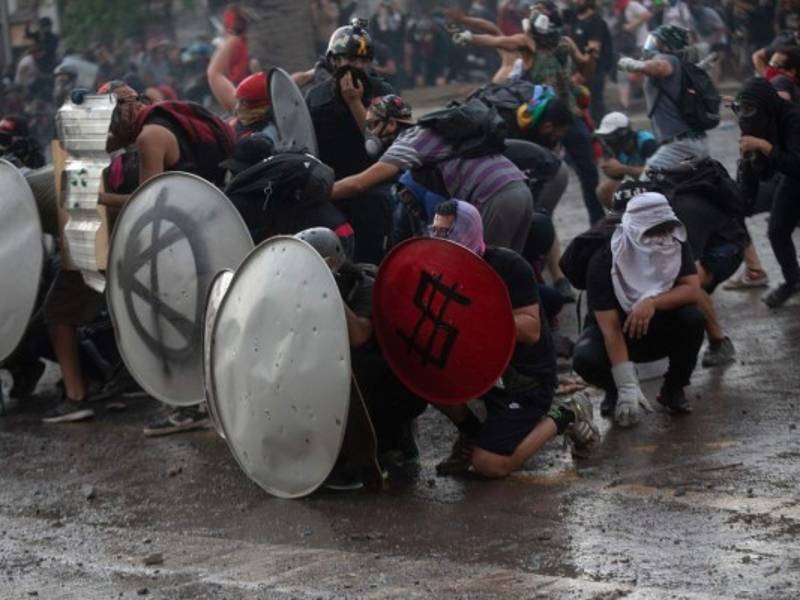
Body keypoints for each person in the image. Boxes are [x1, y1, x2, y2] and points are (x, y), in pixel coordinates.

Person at [426, 200, 598, 477]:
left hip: (525, 381)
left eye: (446, 232)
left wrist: (477, 317)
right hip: (481, 372)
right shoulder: (443, 270)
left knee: (489, 464)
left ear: (468, 231)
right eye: (435, 231)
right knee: (424, 374)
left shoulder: (507, 265)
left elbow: (530, 331)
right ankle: (471, 434)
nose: (438, 239)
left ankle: (567, 413)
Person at [453, 1, 606, 224]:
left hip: (568, 113)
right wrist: (469, 38)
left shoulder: (565, 43)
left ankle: (597, 220)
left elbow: (585, 67)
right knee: (536, 171)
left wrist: (591, 57)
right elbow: (499, 40)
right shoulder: (527, 42)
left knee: (588, 171)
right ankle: (534, 219)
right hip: (540, 118)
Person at [572, 192, 705, 426]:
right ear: (633, 229)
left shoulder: (673, 242)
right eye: (652, 232)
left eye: (665, 229)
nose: (660, 238)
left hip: (657, 326)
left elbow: (692, 289)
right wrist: (626, 385)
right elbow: (611, 329)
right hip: (616, 334)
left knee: (693, 318)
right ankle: (614, 390)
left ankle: (673, 388)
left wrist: (651, 302)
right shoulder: (604, 259)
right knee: (584, 358)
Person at [331, 100, 534, 254]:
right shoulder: (434, 132)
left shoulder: (411, 141)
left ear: (391, 124)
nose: (371, 133)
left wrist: (320, 192)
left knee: (490, 273)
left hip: (494, 196)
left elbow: (360, 184)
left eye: (373, 125)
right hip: (519, 186)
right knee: (513, 271)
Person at [96, 80, 234, 211]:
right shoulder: (156, 113)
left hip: (191, 211)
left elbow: (145, 201)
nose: (113, 131)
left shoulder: (149, 137)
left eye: (112, 125)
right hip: (208, 192)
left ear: (125, 112)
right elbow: (117, 140)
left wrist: (100, 198)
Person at [734, 78, 800, 307]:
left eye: (749, 109)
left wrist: (764, 146)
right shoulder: (761, 122)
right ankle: (793, 281)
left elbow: (796, 163)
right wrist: (746, 160)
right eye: (741, 109)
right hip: (792, 179)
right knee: (777, 230)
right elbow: (757, 179)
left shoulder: (793, 117)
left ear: (764, 105)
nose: (744, 115)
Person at [306, 18, 394, 181]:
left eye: (364, 61)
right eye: (351, 60)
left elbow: (382, 147)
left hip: (373, 184)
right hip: (332, 182)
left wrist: (355, 102)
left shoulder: (381, 91)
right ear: (334, 60)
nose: (359, 66)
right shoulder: (316, 96)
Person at [617, 24, 710, 174]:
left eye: (656, 41)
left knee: (648, 180)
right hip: (694, 142)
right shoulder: (683, 64)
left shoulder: (667, 59)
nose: (651, 45)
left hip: (680, 146)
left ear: (666, 45)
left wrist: (630, 63)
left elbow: (659, 66)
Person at [594, 111, 658, 208]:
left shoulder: (646, 142)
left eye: (610, 138)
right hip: (639, 184)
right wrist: (610, 171)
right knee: (603, 190)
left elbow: (655, 173)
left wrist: (622, 169)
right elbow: (618, 177)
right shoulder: (618, 149)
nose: (608, 142)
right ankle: (621, 218)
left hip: (658, 185)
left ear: (623, 134)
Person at [567, 0, 614, 122]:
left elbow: (593, 50)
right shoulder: (575, 19)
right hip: (577, 71)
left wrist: (584, 73)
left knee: (595, 104)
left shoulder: (595, 21)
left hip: (595, 70)